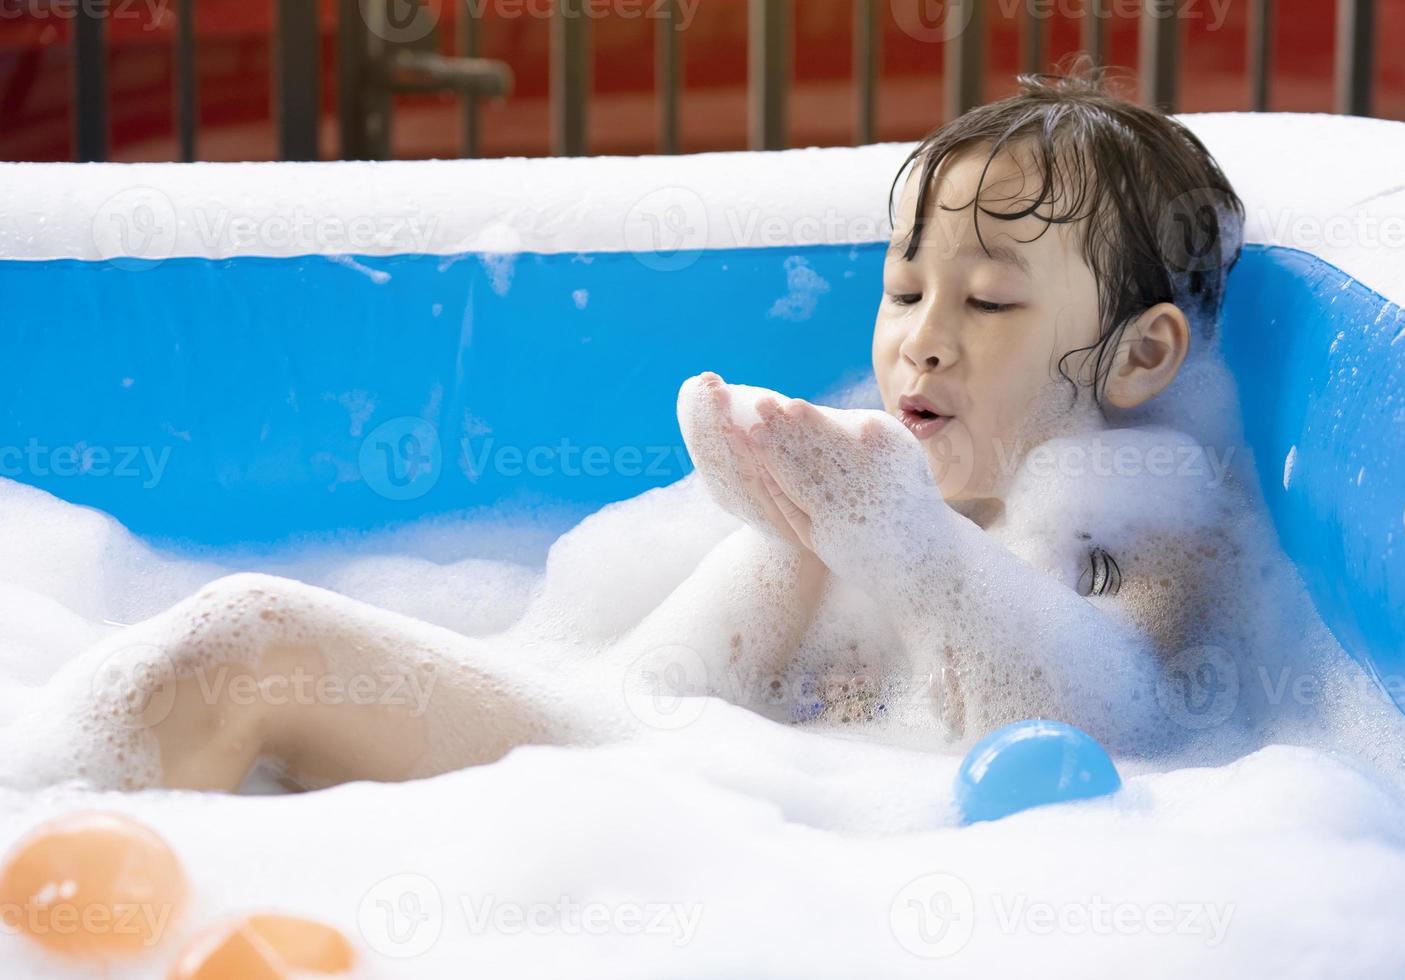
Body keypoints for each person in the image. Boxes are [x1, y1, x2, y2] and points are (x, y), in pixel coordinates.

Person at [3, 67, 1253, 793]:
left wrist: (902, 546)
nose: (920, 338)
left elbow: (1119, 728)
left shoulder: (1147, 525)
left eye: (985, 300)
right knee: (229, 649)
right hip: (646, 809)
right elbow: (630, 718)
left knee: (246, 647)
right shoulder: (855, 489)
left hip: (751, 857)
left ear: (1143, 354)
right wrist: (802, 521)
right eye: (902, 288)